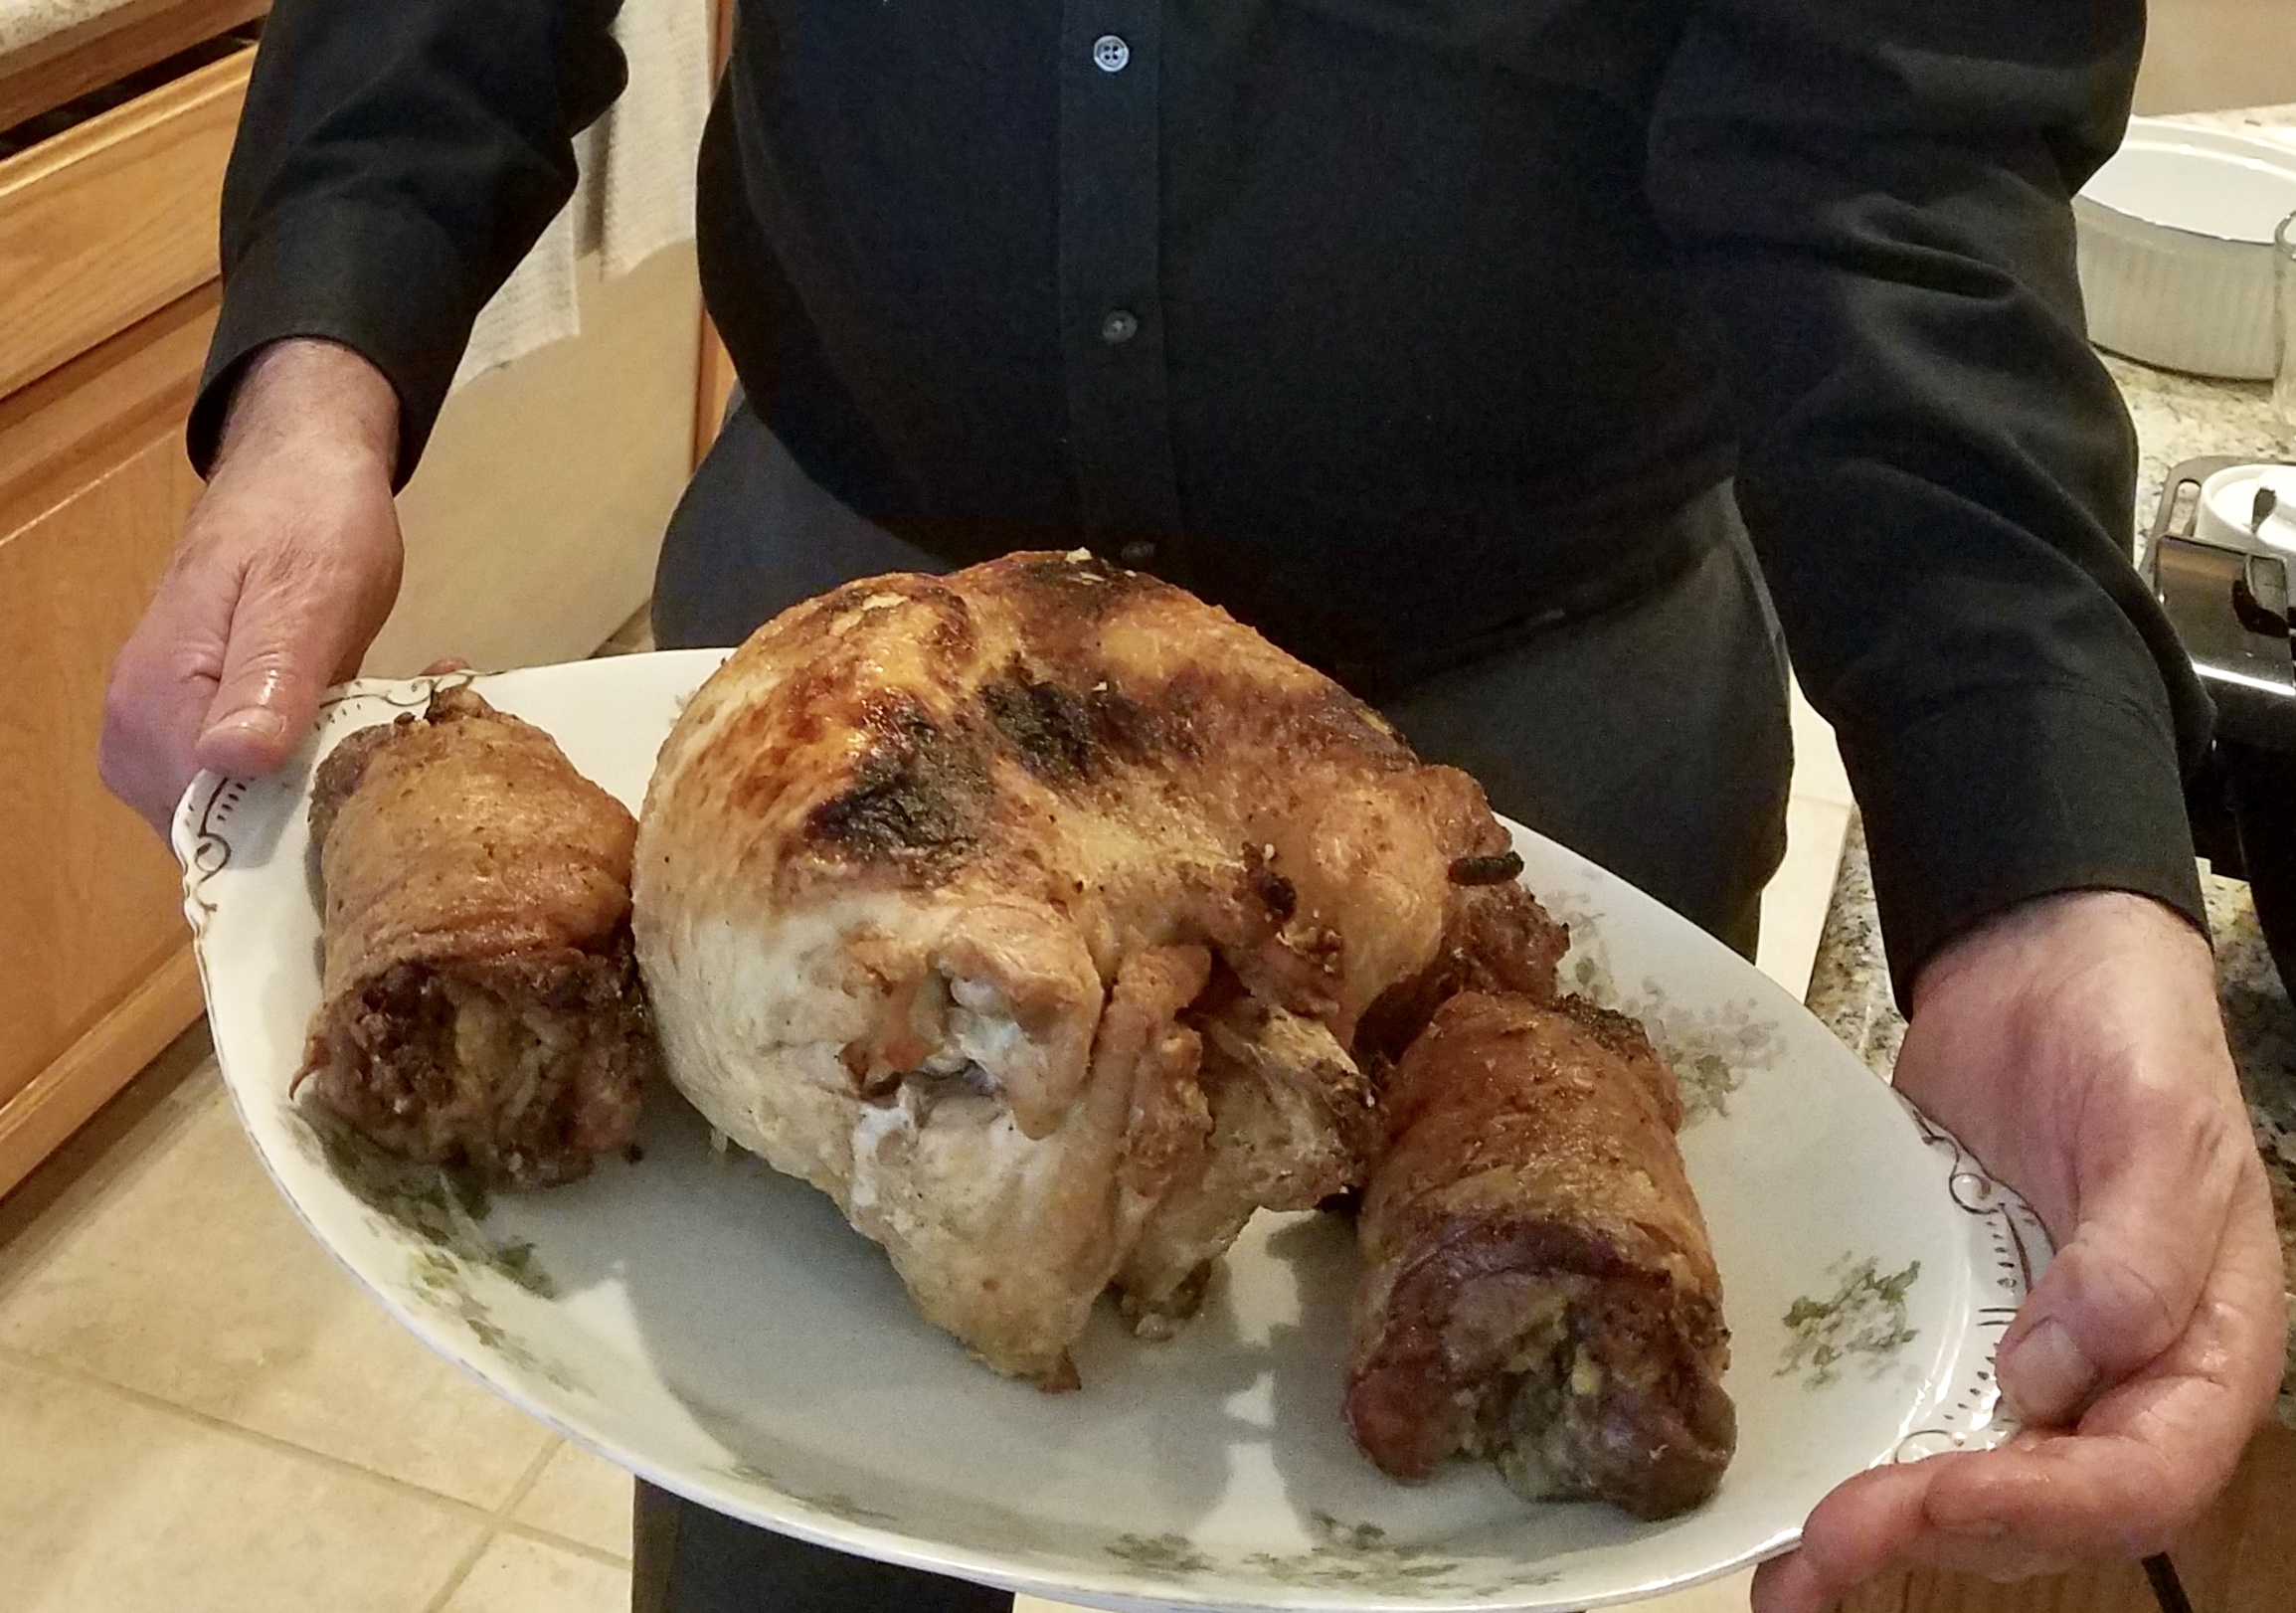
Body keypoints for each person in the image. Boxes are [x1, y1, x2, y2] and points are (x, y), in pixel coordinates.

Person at [99, 0, 2285, 1609]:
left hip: (1519, 767)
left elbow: (1899, 174)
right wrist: (317, 384)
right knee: (785, 1559)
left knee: (1464, 1486)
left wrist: (2049, 867)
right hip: (827, 729)